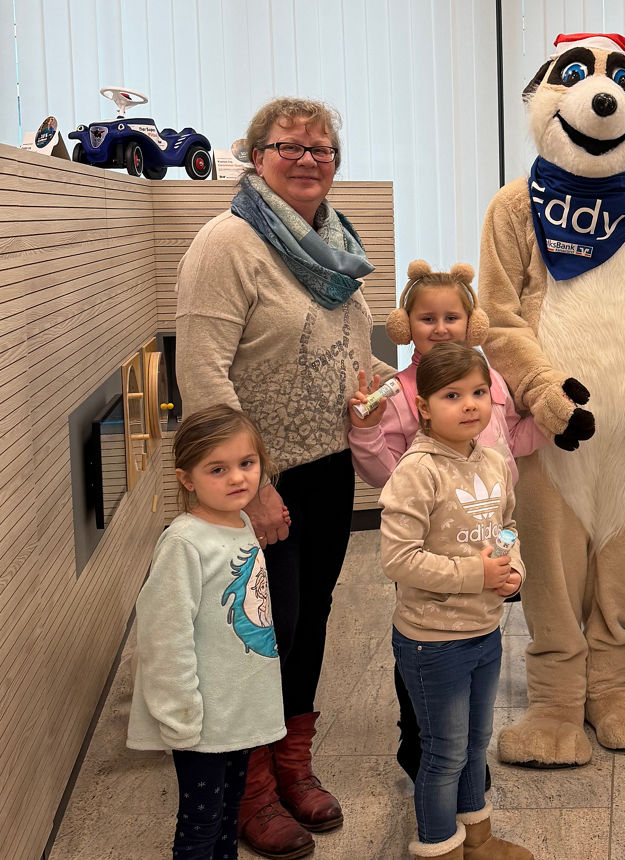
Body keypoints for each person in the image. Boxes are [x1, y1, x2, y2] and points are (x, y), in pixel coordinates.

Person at [176, 97, 395, 856]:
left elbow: (345, 341)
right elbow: (202, 374)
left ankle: (292, 760)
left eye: (321, 148)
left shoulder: (334, 242)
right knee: (262, 633)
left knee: (311, 620)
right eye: (289, 146)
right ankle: (251, 785)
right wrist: (255, 486)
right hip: (253, 482)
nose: (307, 159)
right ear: (255, 154)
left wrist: (367, 392)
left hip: (327, 467)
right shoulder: (228, 243)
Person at [348, 259, 543, 785]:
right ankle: (425, 753)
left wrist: (548, 420)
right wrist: (365, 433)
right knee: (427, 660)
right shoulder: (399, 391)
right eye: (428, 318)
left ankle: (466, 759)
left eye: (451, 317)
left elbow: (512, 439)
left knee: (479, 662)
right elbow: (383, 475)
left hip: (485, 540)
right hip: (432, 559)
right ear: (404, 326)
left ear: (471, 322)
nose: (440, 328)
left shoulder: (488, 380)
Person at [379, 342, 531, 860]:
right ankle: (439, 848)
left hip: (485, 630)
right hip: (433, 641)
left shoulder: (490, 460)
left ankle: (478, 840)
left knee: (473, 746)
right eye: (452, 395)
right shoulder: (417, 471)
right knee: (442, 753)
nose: (470, 405)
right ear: (423, 407)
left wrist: (512, 571)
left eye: (478, 392)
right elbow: (398, 560)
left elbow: (506, 528)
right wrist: (475, 574)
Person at [127, 405, 285, 860]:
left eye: (247, 463)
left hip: (238, 711)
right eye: (218, 469)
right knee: (200, 824)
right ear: (187, 478)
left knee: (228, 813)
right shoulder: (183, 543)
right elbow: (164, 635)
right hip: (200, 720)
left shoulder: (242, 523)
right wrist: (179, 714)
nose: (237, 478)